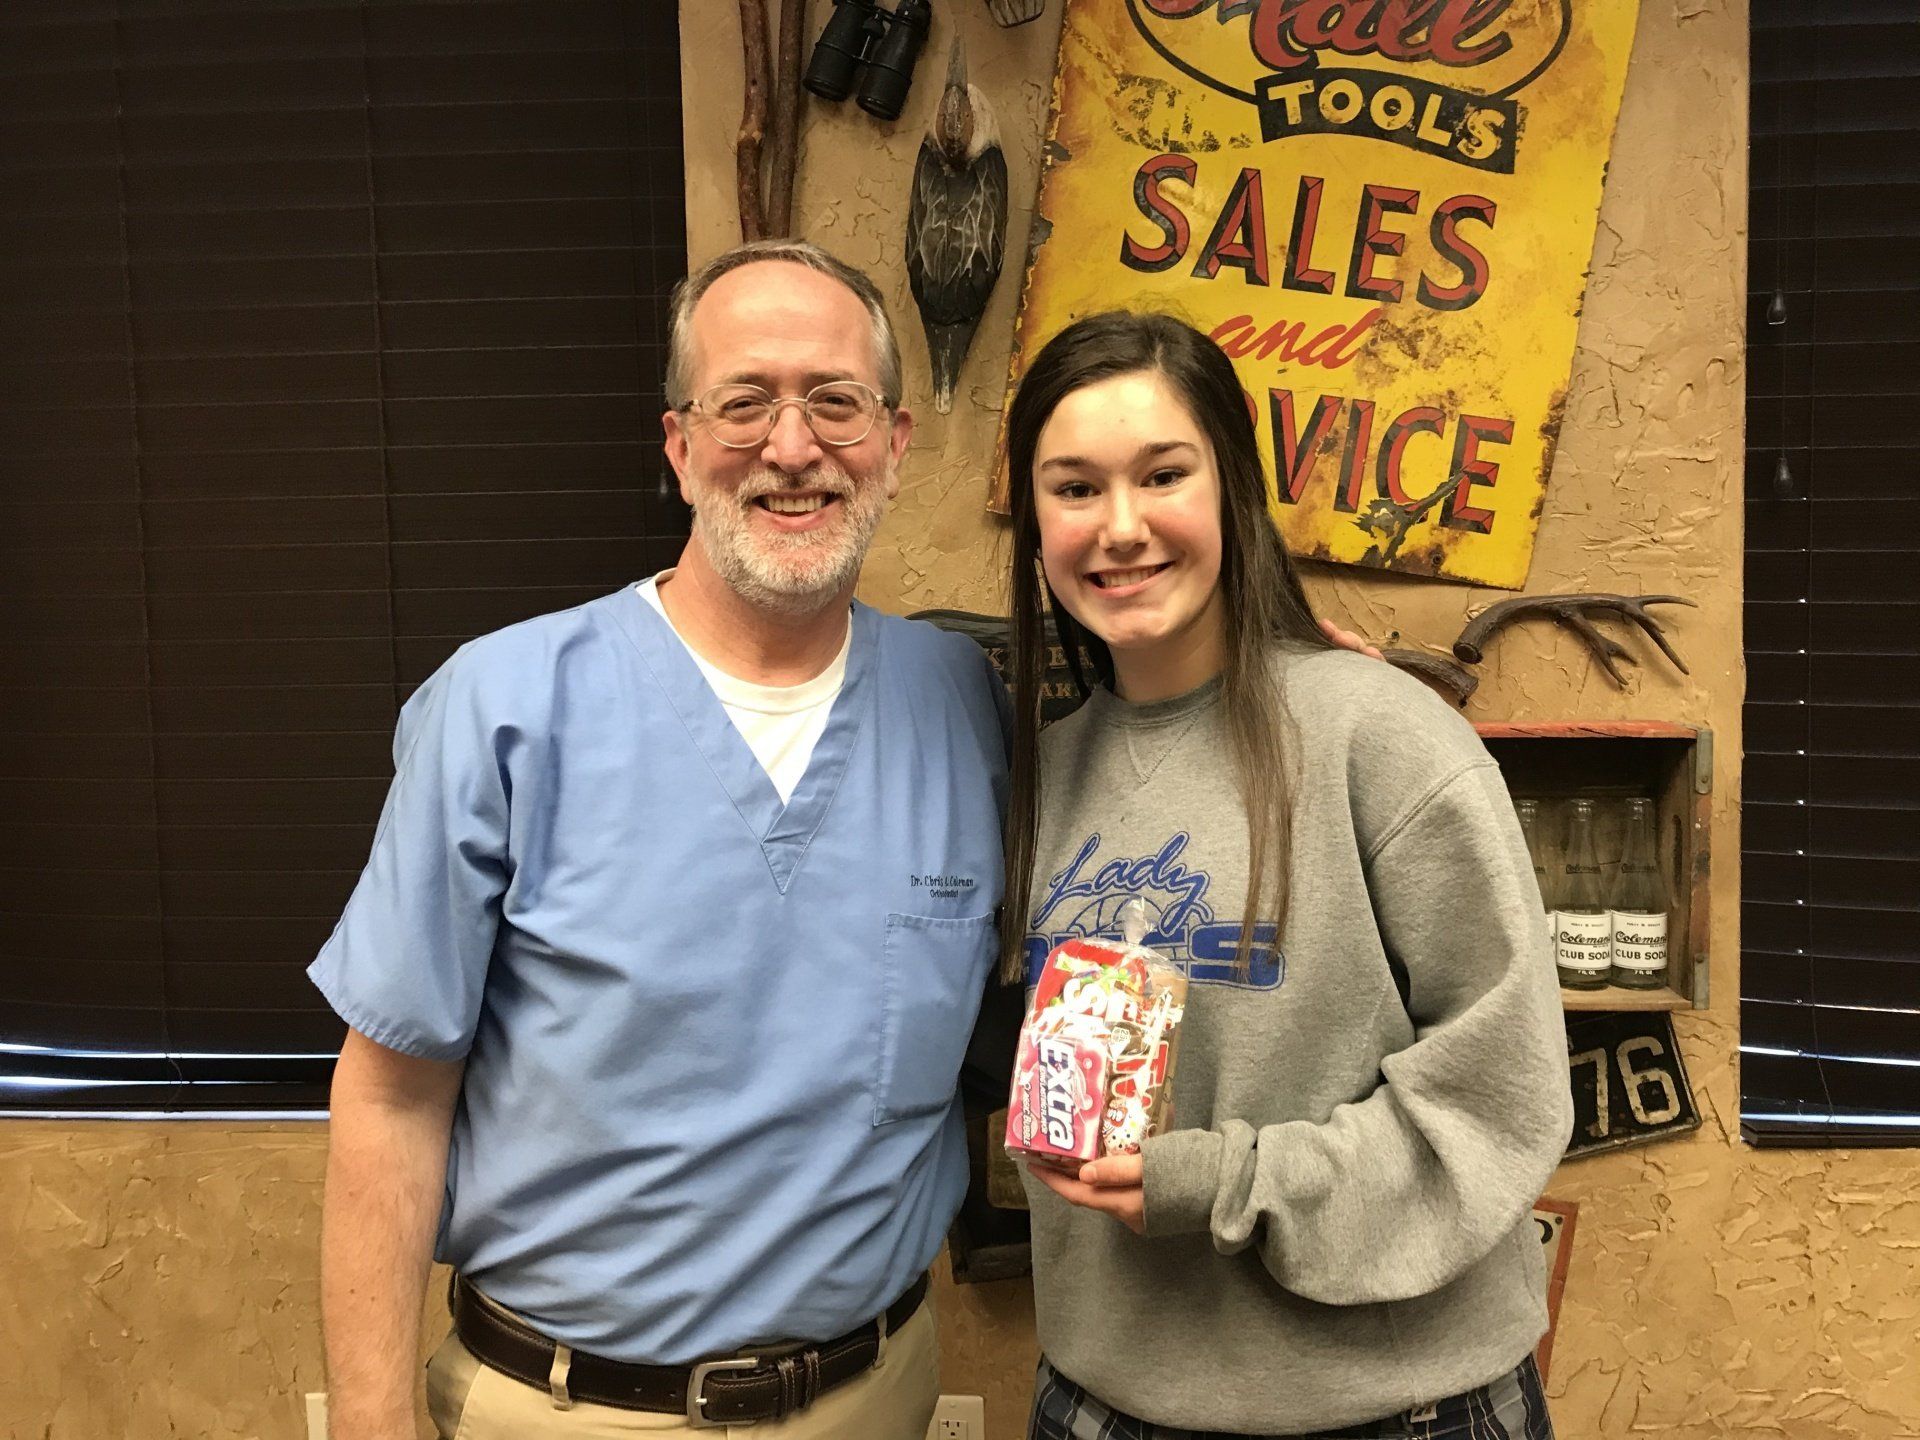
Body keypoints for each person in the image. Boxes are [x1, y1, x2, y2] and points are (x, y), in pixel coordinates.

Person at [310, 239, 1013, 1440]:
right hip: (565, 1409)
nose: (793, 449)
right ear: (681, 446)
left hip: (877, 1395)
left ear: (894, 446)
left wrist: (1290, 661)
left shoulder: (965, 703)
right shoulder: (507, 707)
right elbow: (390, 1099)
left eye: (835, 403)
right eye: (745, 404)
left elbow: (1164, 723)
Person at [997, 311, 1574, 1440]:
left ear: (1234, 492)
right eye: (1073, 489)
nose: (1120, 528)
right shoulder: (1033, 774)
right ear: (1034, 521)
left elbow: (1498, 1098)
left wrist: (1225, 1181)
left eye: (1163, 474)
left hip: (1400, 1412)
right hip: (1101, 1406)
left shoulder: (1382, 740)